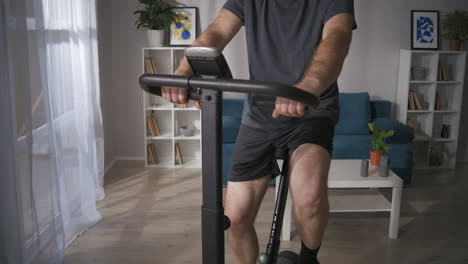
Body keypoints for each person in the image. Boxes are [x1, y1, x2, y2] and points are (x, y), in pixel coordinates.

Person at [162, 0, 357, 263]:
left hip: (312, 107)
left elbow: (338, 37)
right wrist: (187, 67)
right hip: (260, 112)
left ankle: (309, 258)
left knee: (309, 193)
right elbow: (218, 31)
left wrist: (309, 85)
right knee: (236, 217)